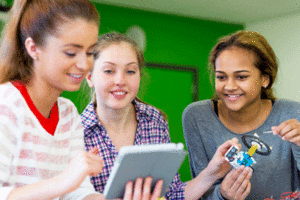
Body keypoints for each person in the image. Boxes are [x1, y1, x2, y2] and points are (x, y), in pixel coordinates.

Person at [0, 1, 160, 199]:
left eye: (90, 52)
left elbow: (78, 194)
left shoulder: (68, 114)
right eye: (71, 53)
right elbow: (66, 184)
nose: (85, 64)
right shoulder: (6, 104)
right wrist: (64, 181)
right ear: (33, 48)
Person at [81, 32, 246, 200]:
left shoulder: (154, 121)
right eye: (109, 71)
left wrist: (213, 172)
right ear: (89, 77)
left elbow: (173, 194)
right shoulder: (74, 131)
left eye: (130, 71)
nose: (120, 80)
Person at [182, 30, 300, 200]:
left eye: (241, 77)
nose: (229, 86)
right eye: (221, 77)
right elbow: (200, 190)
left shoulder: (293, 113)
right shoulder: (197, 117)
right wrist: (222, 195)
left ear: (265, 79)